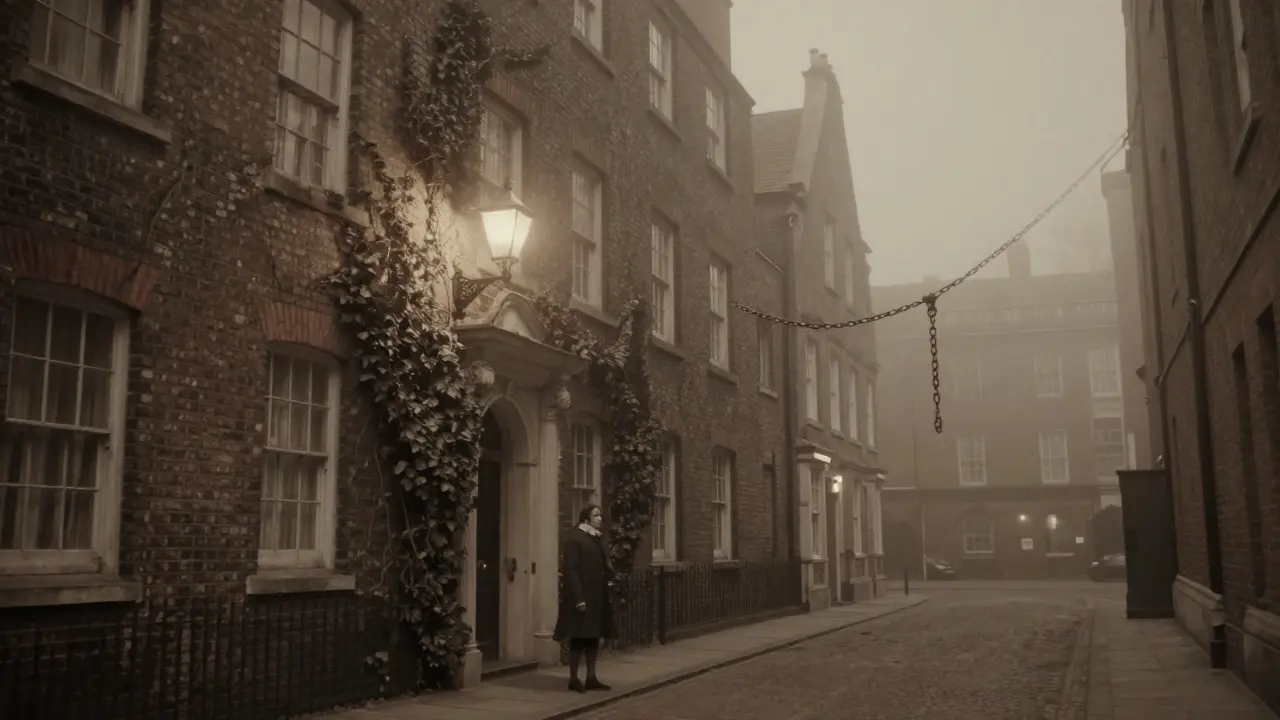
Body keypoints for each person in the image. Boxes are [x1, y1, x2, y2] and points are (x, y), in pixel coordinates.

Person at [554, 504, 616, 693]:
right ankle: (573, 678)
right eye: (596, 515)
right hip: (581, 597)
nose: (600, 518)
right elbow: (570, 569)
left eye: (601, 515)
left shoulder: (596, 538)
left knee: (593, 638)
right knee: (579, 639)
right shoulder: (575, 538)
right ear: (586, 519)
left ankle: (591, 677)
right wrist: (578, 598)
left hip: (597, 596)